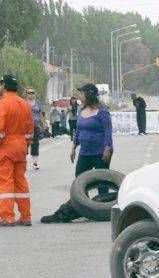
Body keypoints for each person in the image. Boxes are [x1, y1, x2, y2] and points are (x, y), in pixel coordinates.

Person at [42, 84, 114, 223]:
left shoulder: (102, 112)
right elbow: (79, 131)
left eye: (82, 93)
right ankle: (86, 208)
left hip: (100, 152)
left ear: (89, 94)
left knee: (101, 182)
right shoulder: (82, 111)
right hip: (85, 152)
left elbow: (108, 131)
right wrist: (74, 147)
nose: (80, 96)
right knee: (80, 179)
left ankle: (103, 210)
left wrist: (107, 148)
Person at [0, 75, 34, 227]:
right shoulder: (24, 103)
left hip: (4, 148)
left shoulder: (3, 104)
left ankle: (7, 217)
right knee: (20, 182)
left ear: (3, 86)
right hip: (20, 146)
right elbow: (30, 129)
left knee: (4, 182)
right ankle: (26, 216)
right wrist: (26, 143)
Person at [25, 86, 41, 169]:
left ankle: (35, 163)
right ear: (26, 94)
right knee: (25, 145)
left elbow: (40, 114)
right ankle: (23, 162)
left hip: (36, 126)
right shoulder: (23, 102)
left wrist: (43, 124)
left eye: (32, 92)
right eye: (29, 92)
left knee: (35, 144)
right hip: (25, 127)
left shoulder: (38, 103)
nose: (31, 94)